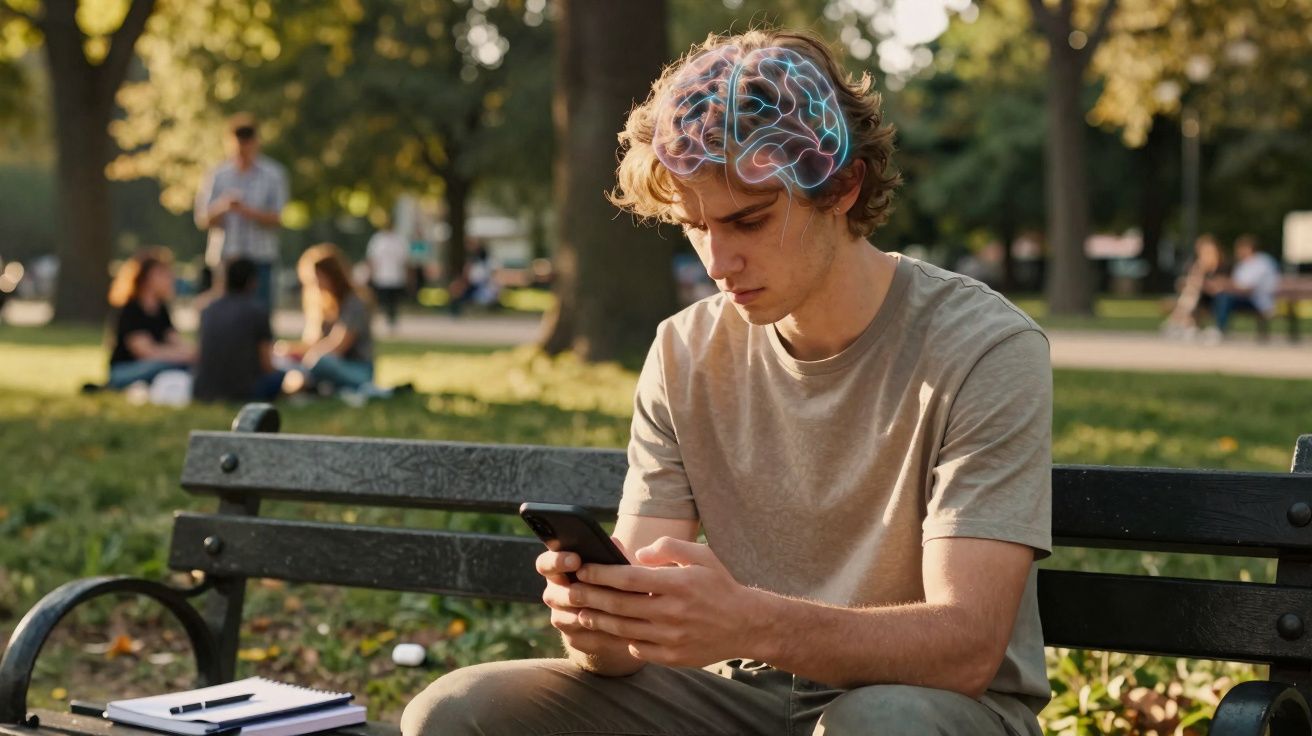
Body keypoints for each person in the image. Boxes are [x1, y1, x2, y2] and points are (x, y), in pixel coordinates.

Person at [402, 28, 1051, 736]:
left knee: (877, 723)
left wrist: (751, 622)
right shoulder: (686, 351)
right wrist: (602, 620)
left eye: (749, 220)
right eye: (694, 225)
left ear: (842, 185)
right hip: (742, 696)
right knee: (457, 714)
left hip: (932, 706)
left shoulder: (984, 346)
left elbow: (967, 648)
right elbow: (623, 653)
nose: (717, 261)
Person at [194, 112, 290, 311]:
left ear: (255, 142)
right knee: (223, 314)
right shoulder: (217, 175)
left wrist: (247, 211)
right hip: (226, 257)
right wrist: (224, 207)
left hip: (260, 257)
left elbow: (278, 218)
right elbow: (203, 220)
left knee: (259, 313)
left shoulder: (274, 174)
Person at [281, 243, 385, 397]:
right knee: (286, 361)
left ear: (332, 276)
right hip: (326, 363)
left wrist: (306, 358)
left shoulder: (354, 302)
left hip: (356, 370)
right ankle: (307, 385)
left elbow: (338, 346)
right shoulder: (322, 305)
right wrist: (288, 350)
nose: (316, 287)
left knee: (319, 362)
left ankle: (305, 385)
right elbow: (312, 343)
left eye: (318, 280)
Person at [193, 258, 285, 402]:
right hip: (245, 391)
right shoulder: (257, 311)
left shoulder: (208, 310)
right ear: (252, 281)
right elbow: (266, 364)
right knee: (284, 376)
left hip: (204, 389)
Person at [106, 248, 196, 390]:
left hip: (154, 364)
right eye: (164, 274)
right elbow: (146, 352)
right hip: (125, 371)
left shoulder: (161, 309)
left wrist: (195, 353)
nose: (170, 279)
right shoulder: (130, 309)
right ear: (148, 278)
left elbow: (175, 340)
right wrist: (182, 357)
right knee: (166, 366)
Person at [1207, 234, 1281, 339]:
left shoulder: (1262, 262)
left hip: (1260, 302)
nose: (1237, 252)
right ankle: (1217, 328)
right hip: (1247, 299)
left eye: (1239, 248)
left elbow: (1248, 288)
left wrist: (1226, 286)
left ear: (1248, 248)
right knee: (1220, 296)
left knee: (1224, 297)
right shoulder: (1243, 264)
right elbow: (1238, 284)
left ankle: (1220, 329)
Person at [1163, 234, 1225, 337]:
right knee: (1190, 294)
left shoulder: (1222, 267)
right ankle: (1183, 323)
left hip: (1212, 299)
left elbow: (1218, 287)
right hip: (1196, 298)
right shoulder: (1198, 265)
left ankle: (1177, 322)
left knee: (1191, 295)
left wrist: (1199, 282)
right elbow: (1190, 282)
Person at [365, 216, 410, 331]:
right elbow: (372, 258)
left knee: (393, 301)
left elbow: (404, 259)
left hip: (396, 276)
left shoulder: (399, 240)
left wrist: (408, 276)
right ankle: (385, 320)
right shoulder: (377, 239)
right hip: (381, 276)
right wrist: (371, 274)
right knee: (383, 301)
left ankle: (392, 321)